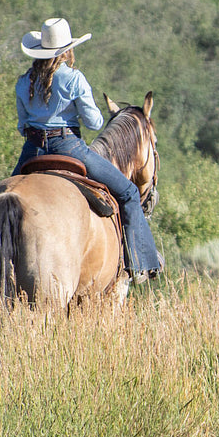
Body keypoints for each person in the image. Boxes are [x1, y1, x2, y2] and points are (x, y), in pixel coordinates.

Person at [13, 17, 161, 281]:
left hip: (32, 151)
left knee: (6, 194)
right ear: (67, 50)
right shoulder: (74, 79)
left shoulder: (24, 82)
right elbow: (95, 123)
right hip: (68, 147)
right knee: (127, 192)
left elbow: (23, 124)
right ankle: (141, 263)